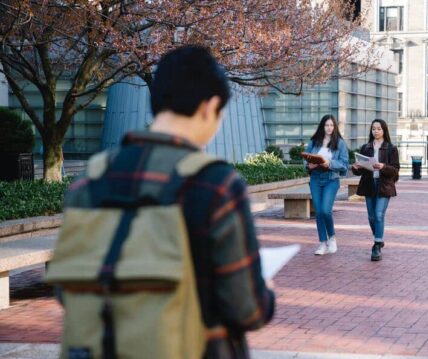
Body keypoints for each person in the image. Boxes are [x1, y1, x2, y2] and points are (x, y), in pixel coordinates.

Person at [60, 46, 274, 358]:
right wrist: (266, 294)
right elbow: (247, 309)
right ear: (209, 107)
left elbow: (69, 288)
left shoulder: (89, 183)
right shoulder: (217, 186)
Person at [352, 119, 400, 261]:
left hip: (384, 185)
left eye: (378, 129)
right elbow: (359, 172)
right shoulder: (366, 147)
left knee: (379, 215)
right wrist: (356, 168)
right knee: (371, 217)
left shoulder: (391, 148)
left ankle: (377, 244)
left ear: (384, 130)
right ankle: (378, 237)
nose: (376, 131)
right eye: (373, 129)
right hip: (369, 184)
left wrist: (383, 166)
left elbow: (395, 170)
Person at [304, 114, 349, 255]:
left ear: (334, 127)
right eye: (326, 125)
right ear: (322, 126)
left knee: (325, 210)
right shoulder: (314, 142)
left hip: (331, 179)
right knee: (318, 212)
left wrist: (329, 163)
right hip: (316, 179)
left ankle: (332, 237)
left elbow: (344, 164)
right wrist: (308, 165)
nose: (329, 128)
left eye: (331, 125)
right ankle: (323, 243)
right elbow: (306, 158)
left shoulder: (340, 143)